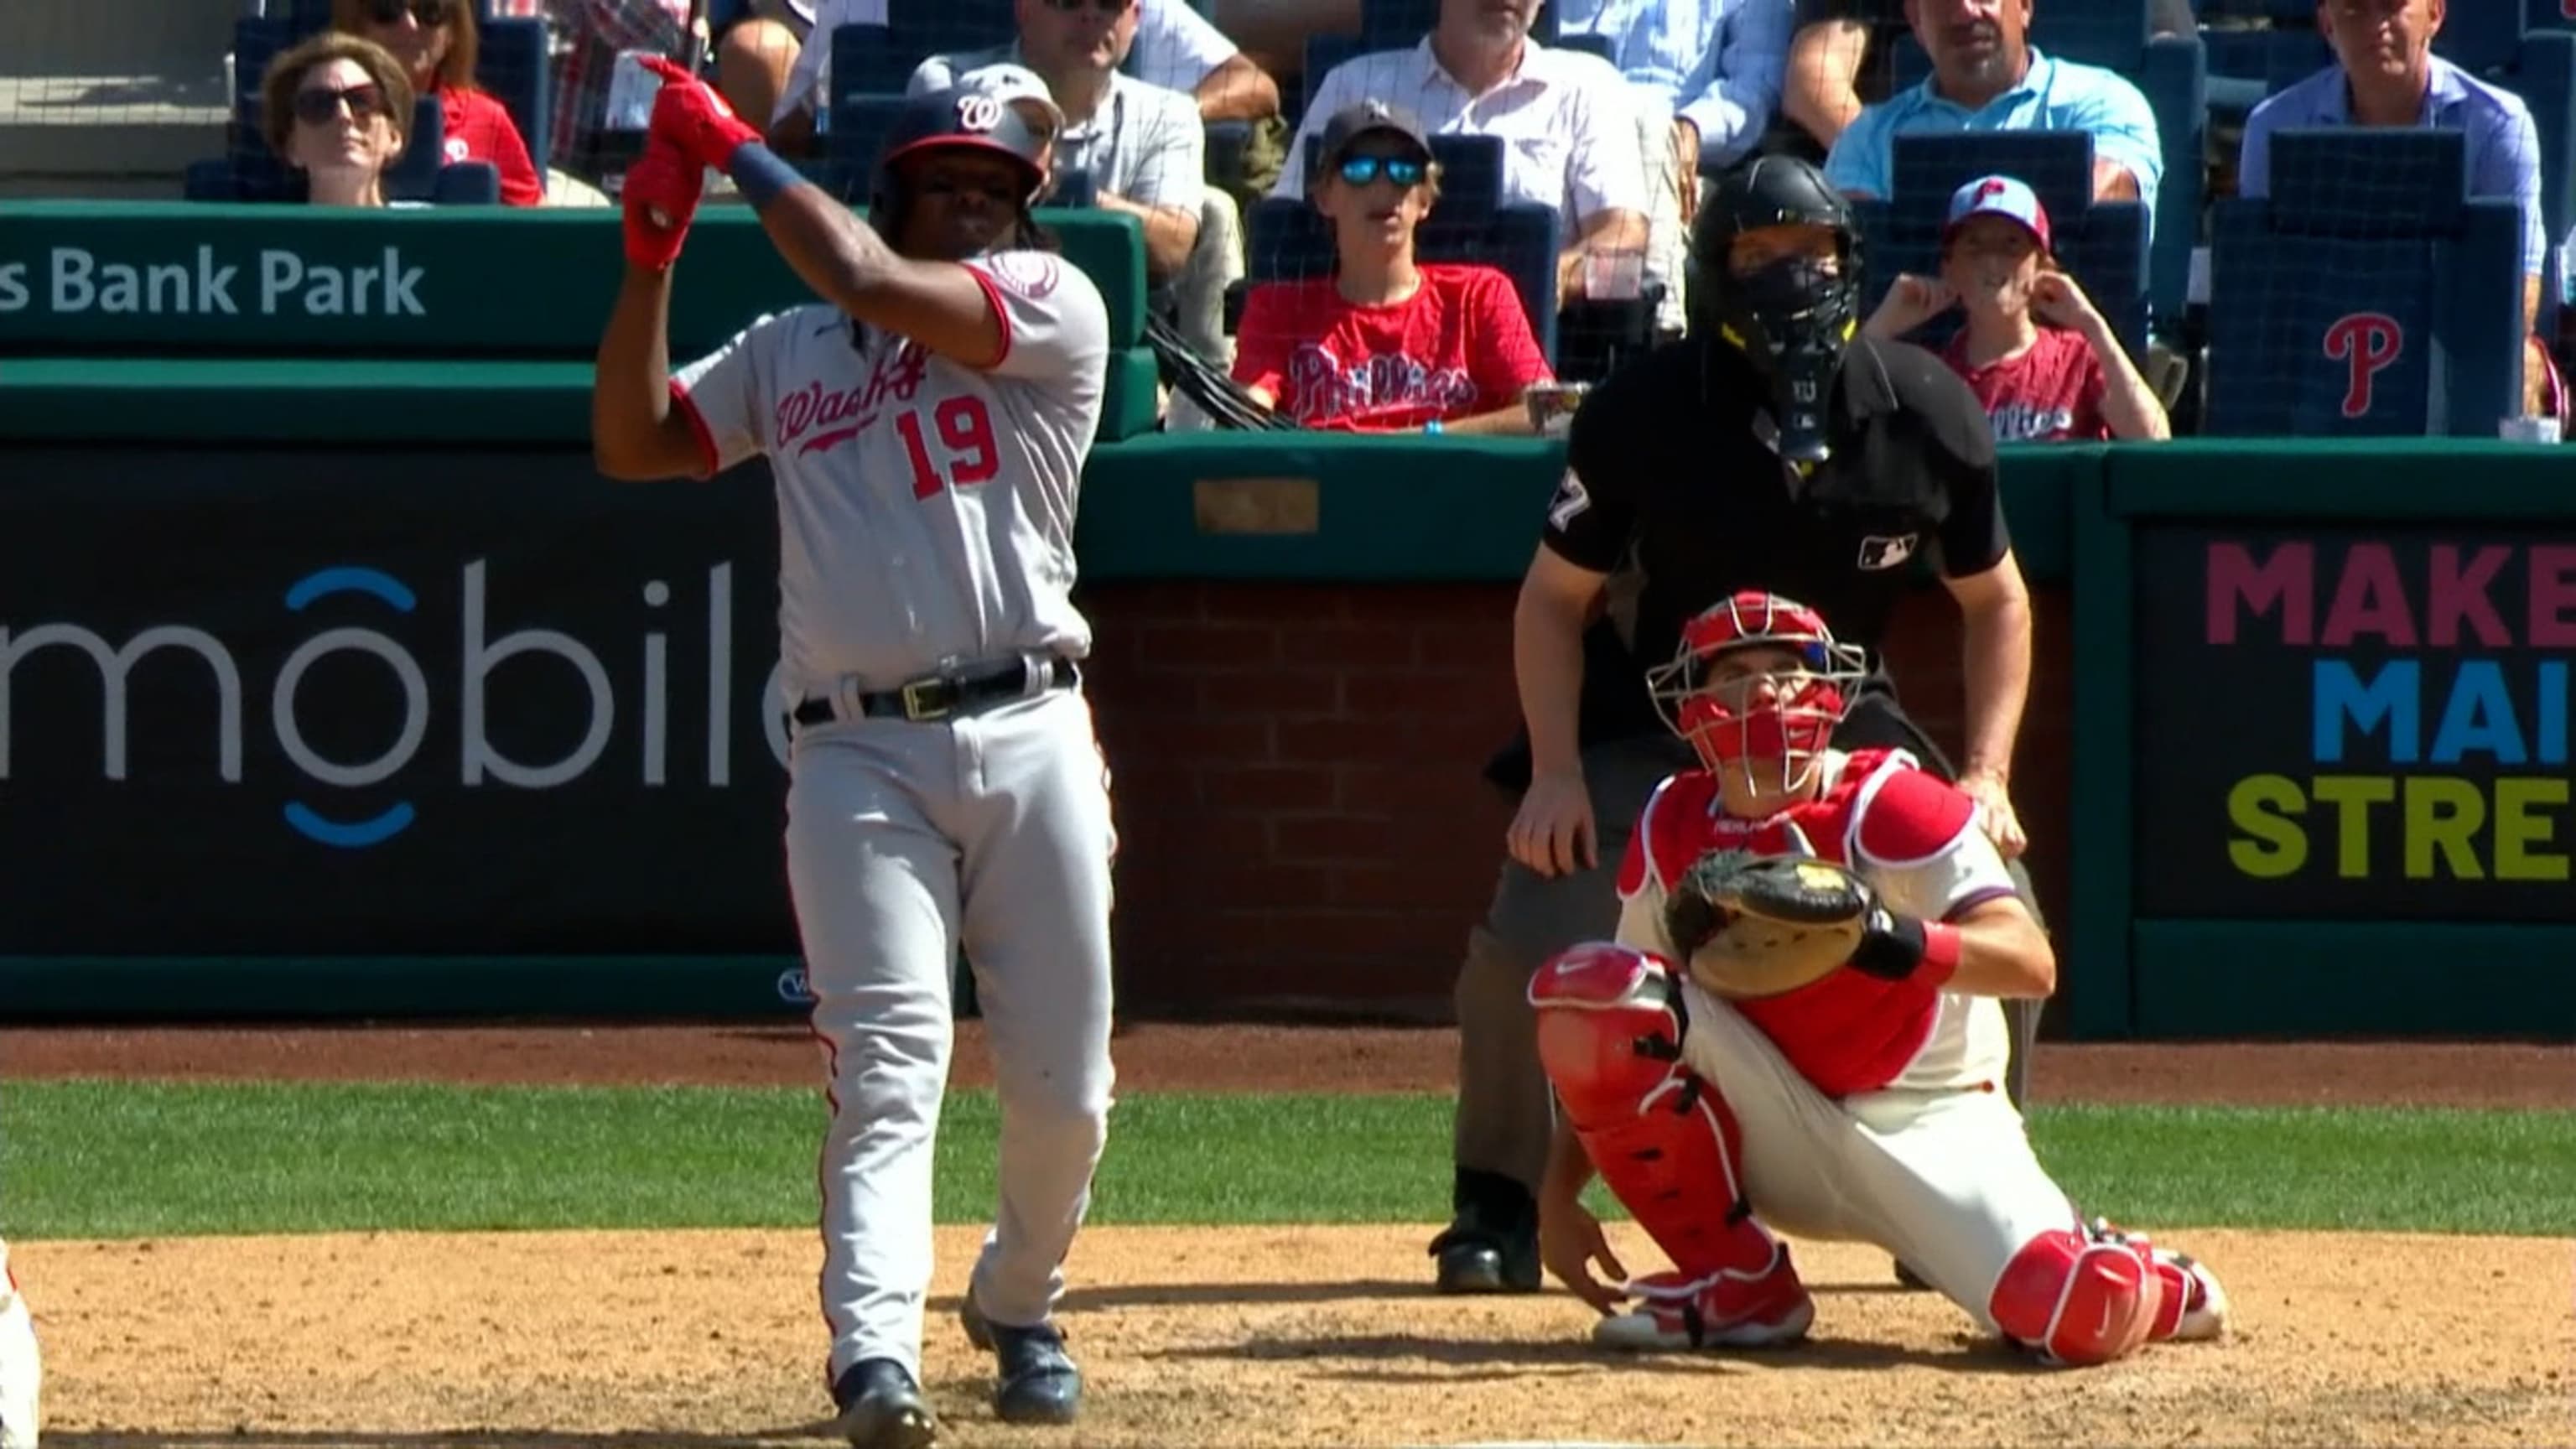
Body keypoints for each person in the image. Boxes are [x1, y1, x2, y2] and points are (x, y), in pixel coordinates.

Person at [591, 65, 1117, 1448]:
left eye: (996, 187)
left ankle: (1018, 1300)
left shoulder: (1053, 302)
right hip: (855, 750)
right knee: (890, 1058)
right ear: (895, 187)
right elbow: (633, 441)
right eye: (947, 180)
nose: (974, 204)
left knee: (1067, 1087)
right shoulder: (791, 349)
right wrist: (651, 258)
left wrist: (734, 150)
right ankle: (873, 1354)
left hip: (1030, 724)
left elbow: (868, 275)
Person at [1429, 153, 2037, 1299]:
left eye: (1813, 255)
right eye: (1762, 256)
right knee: (1532, 927)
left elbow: (1996, 600)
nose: (1792, 279)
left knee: (2004, 908)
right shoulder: (1644, 408)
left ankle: (1973, 1194)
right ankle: (1497, 1199)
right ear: (1715, 272)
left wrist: (1988, 774)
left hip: (1840, 717)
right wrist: (1555, 771)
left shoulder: (1926, 407)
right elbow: (1552, 602)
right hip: (1657, 715)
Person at [1527, 589, 2229, 1364]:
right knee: (1591, 991)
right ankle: (1737, 1283)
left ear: (1829, 693)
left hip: (1930, 1117)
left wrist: (1884, 938)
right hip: (1772, 1112)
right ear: (1693, 703)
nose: (1765, 691)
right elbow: (1619, 1024)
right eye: (1735, 673)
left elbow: (2030, 962)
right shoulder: (1671, 821)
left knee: (2078, 1312)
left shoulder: (1888, 800)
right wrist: (1555, 1197)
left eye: (1786, 670)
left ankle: (2159, 1279)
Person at [2237, 0, 2559, 421]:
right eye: (2355, 10)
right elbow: (2258, 287)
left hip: (2451, 342)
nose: (2377, 25)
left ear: (2435, 14)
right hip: (2315, 342)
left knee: (2522, 362)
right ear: (2327, 24)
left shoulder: (2499, 125)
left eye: (2392, 6)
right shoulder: (2273, 125)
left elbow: (2519, 290)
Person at [1232, 101, 1554, 433]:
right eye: (1360, 169)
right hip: (1321, 467)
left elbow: (1548, 413)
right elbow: (1241, 421)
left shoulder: (1480, 295)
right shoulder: (1277, 308)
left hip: (1449, 466)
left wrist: (1424, 440)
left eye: (1404, 171)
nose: (1384, 186)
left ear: (1425, 199)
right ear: (1325, 195)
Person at [1863, 174, 2169, 440]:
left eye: (2011, 244)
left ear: (2041, 266)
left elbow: (2153, 438)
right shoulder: (1931, 376)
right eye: (1974, 245)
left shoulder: (2078, 357)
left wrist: (2092, 324)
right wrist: (1880, 328)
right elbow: (1845, 438)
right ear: (1949, 268)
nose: (1992, 260)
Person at [1820, 0, 2163, 224]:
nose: (1966, 12)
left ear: (2024, 6)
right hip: (1910, 320)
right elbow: (1857, 252)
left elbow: (2101, 206)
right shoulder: (1867, 137)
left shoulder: (2104, 101)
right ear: (1916, 20)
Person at [335, 0, 543, 205]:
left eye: (431, 11)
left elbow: (537, 216)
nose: (410, 25)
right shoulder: (329, 110)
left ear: (452, 33)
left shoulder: (487, 118)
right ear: (358, 27)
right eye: (387, 10)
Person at [261, 33, 418, 209]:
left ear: (394, 136)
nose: (343, 116)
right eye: (318, 104)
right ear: (291, 145)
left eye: (362, 100)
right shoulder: (265, 228)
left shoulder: (431, 224)